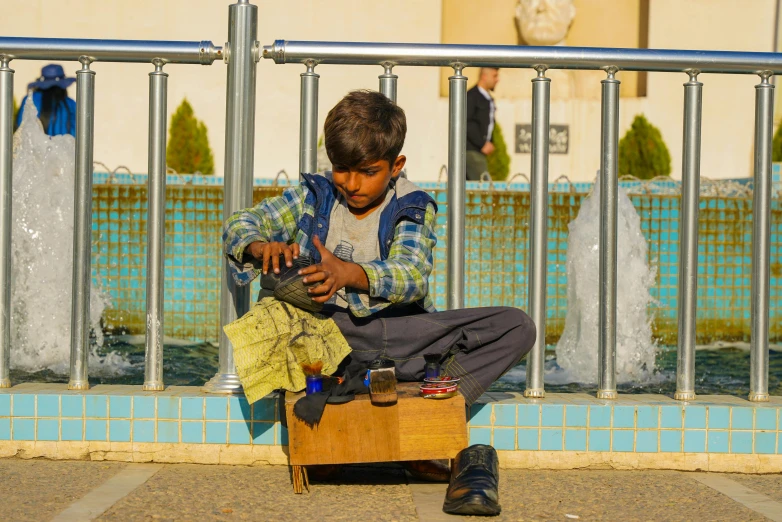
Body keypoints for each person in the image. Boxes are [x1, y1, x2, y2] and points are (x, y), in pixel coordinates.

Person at [223, 90, 535, 515]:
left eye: (367, 172)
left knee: (516, 326)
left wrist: (349, 274)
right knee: (282, 312)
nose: (351, 184)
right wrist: (260, 247)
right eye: (341, 170)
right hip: (331, 337)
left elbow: (411, 274)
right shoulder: (313, 196)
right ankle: (349, 420)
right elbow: (242, 221)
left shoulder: (412, 206)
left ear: (395, 167)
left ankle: (424, 412)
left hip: (398, 336)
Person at [16, 64, 77, 137]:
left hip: (35, 147)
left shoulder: (30, 99)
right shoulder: (70, 103)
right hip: (65, 147)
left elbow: (21, 128)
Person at [466, 67, 499, 181]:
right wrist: (483, 143)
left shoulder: (487, 98)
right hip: (471, 151)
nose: (497, 80)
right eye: (494, 76)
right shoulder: (472, 96)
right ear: (484, 76)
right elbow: (466, 122)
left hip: (478, 152)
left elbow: (489, 123)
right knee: (485, 190)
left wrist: (491, 142)